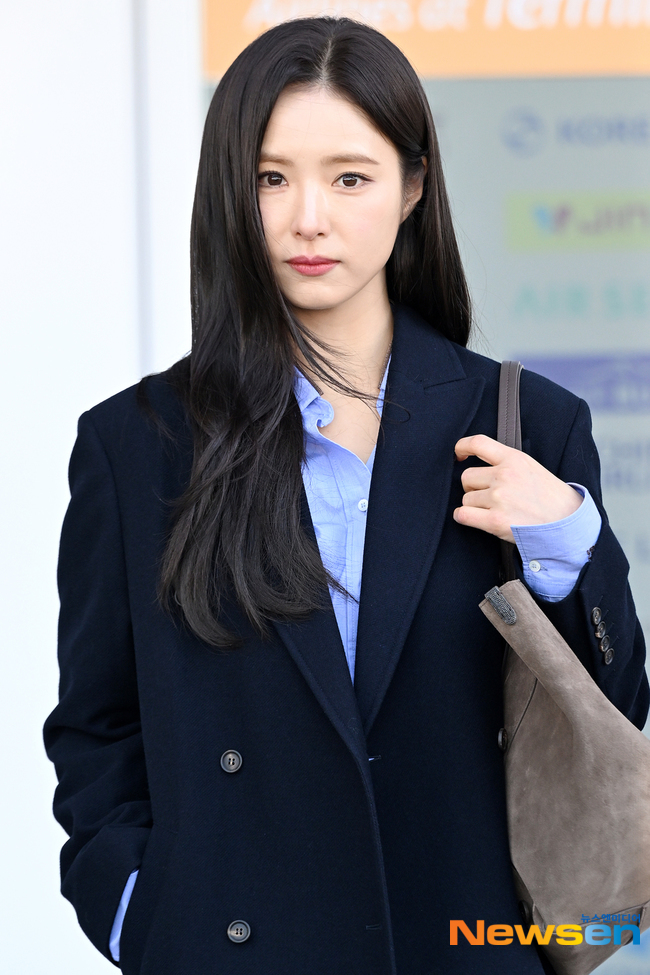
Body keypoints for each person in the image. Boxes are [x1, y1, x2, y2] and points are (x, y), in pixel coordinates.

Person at [43, 16, 648, 975]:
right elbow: (97, 729)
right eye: (270, 177)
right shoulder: (139, 443)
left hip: (464, 947)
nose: (307, 219)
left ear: (414, 186)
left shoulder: (527, 422)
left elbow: (610, 714)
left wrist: (570, 540)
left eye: (350, 178)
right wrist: (139, 914)